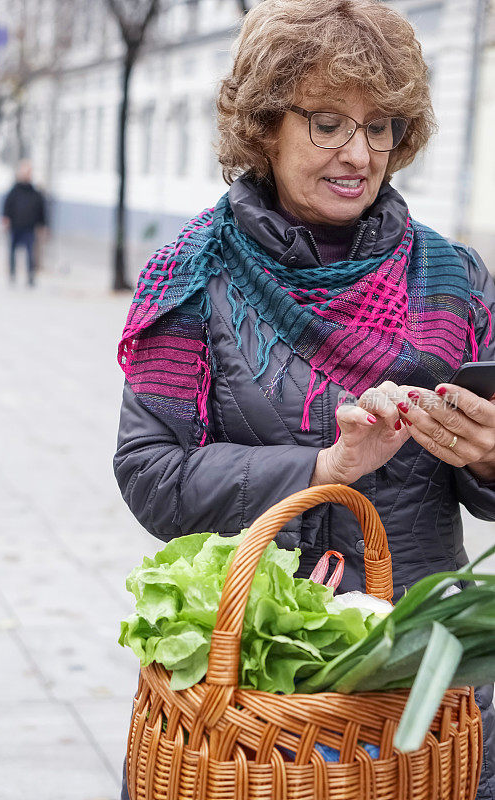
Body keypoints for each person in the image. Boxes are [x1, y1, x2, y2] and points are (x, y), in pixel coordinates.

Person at [114, 1, 495, 797]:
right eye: (326, 121)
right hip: (254, 679)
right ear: (263, 127)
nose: (358, 152)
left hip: (423, 670)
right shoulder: (196, 275)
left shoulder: (454, 282)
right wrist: (325, 462)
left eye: (380, 124)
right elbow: (150, 470)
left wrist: (489, 458)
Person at [2, 160, 47, 286]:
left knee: (30, 252)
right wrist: (5, 219)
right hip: (15, 226)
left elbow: (41, 209)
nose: (26, 174)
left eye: (29, 172)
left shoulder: (35, 192)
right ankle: (12, 274)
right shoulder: (14, 190)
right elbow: (7, 206)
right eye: (24, 172)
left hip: (29, 227)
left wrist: (43, 225)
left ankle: (30, 276)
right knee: (12, 251)